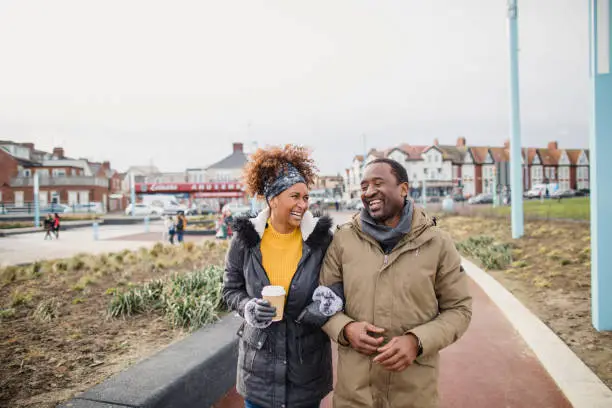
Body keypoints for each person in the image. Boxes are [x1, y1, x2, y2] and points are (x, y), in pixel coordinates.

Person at [320, 158, 473, 408]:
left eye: (378, 183)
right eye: (364, 186)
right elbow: (323, 301)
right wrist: (345, 329)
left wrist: (417, 341)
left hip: (414, 395)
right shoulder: (343, 240)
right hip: (355, 395)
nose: (369, 192)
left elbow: (459, 310)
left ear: (403, 189)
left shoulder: (437, 243)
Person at [222, 145, 342, 408]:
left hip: (307, 367)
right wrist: (248, 306)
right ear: (273, 198)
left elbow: (339, 283)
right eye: (295, 196)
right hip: (258, 371)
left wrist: (326, 301)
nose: (303, 204)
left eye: (306, 197)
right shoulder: (245, 240)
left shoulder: (321, 240)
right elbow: (230, 290)